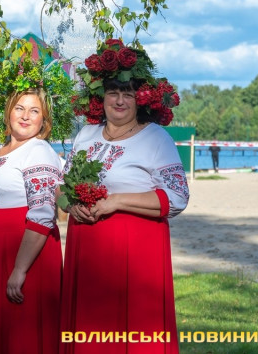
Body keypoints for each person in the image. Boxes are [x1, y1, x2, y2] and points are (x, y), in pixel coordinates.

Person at [61, 38, 190, 353]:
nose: (119, 100)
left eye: (128, 94)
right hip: (86, 248)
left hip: (135, 252)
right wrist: (71, 205)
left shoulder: (156, 139)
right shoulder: (86, 134)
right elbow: (62, 186)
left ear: (141, 99)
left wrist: (117, 201)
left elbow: (177, 197)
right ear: (100, 96)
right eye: (113, 92)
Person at [0, 58, 74, 354]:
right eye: (19, 108)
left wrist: (19, 269)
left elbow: (42, 215)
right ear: (8, 112)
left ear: (44, 120)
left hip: (24, 251)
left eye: (34, 111)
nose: (26, 116)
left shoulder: (39, 151)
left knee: (22, 336)